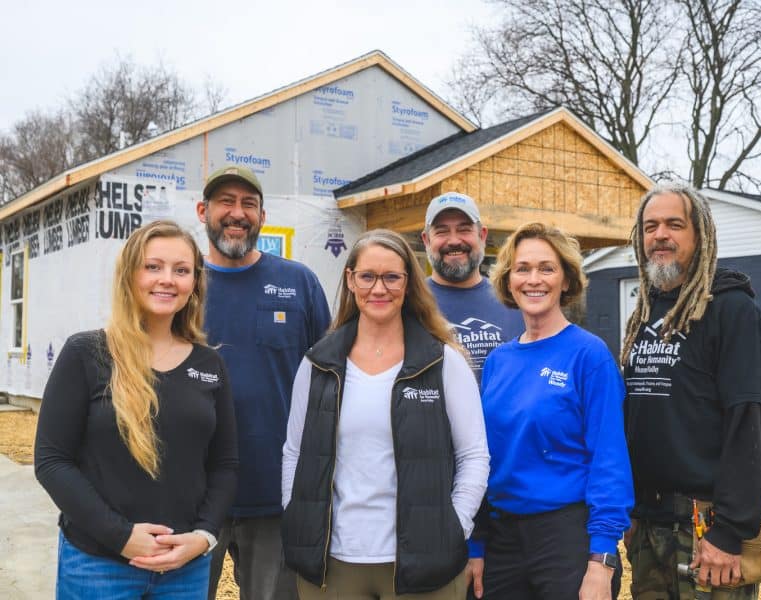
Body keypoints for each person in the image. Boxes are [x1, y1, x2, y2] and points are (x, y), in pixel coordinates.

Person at [281, 229, 490, 599]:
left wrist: (454, 527)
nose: (379, 289)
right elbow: (294, 452)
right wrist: (296, 515)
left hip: (423, 565)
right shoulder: (318, 364)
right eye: (367, 276)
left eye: (392, 277)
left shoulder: (443, 362)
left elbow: (474, 455)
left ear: (408, 283)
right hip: (334, 563)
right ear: (350, 280)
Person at [35, 220, 238, 599]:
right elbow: (51, 461)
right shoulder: (87, 353)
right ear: (130, 274)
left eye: (181, 270)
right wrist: (121, 536)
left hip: (185, 569)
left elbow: (224, 464)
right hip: (98, 565)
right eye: (153, 266)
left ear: (195, 282)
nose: (167, 279)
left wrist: (204, 536)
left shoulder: (210, 364)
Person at [621, 183, 761, 599]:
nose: (660, 235)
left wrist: (730, 530)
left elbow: (752, 424)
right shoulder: (644, 314)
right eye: (650, 226)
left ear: (700, 235)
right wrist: (632, 508)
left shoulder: (732, 310)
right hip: (649, 525)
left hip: (708, 529)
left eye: (674, 224)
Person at [467, 222, 633, 600]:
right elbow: (482, 458)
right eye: (522, 269)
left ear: (566, 280)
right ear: (508, 281)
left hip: (567, 539)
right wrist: (476, 546)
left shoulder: (588, 356)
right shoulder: (498, 361)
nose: (533, 279)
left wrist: (601, 558)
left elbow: (609, 459)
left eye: (547, 268)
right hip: (503, 538)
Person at [196, 166, 331, 600]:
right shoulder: (182, 286)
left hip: (277, 495)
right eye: (226, 203)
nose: (237, 214)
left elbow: (330, 383)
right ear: (203, 211)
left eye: (248, 204)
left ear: (262, 215)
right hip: (193, 498)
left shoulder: (299, 283)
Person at [421, 192, 524, 381]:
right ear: (426, 240)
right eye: (442, 231)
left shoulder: (514, 300)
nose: (453, 241)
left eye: (464, 229)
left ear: (482, 235)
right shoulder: (410, 302)